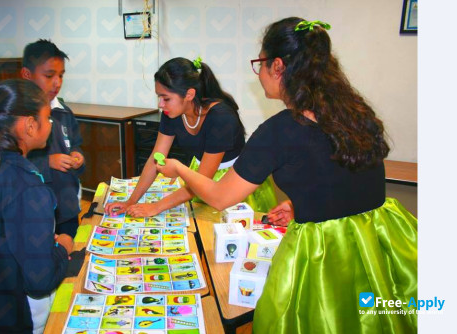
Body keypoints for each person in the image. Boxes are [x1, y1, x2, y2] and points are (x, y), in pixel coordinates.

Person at [156, 17, 417, 333]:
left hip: (328, 254)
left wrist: (180, 168)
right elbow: (343, 178)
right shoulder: (353, 110)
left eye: (260, 64)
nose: (260, 73)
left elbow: (220, 196)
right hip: (380, 237)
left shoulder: (281, 130)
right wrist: (299, 204)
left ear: (277, 66)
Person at [0, 79, 74, 333]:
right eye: (48, 117)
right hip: (19, 314)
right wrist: (61, 246)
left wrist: (39, 241)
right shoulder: (29, 187)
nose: (52, 123)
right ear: (30, 125)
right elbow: (40, 281)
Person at [105, 57, 277, 218]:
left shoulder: (221, 117)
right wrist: (131, 201)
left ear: (189, 95)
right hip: (199, 177)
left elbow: (204, 179)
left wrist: (155, 207)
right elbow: (155, 159)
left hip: (232, 182)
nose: (160, 104)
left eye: (166, 98)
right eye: (159, 97)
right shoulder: (171, 113)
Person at [21, 39, 85, 237]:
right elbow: (7, 164)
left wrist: (78, 157)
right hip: (34, 212)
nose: (57, 83)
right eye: (49, 76)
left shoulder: (64, 112)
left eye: (61, 75)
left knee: (70, 254)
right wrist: (46, 162)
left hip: (67, 207)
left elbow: (76, 144)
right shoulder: (17, 117)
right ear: (27, 75)